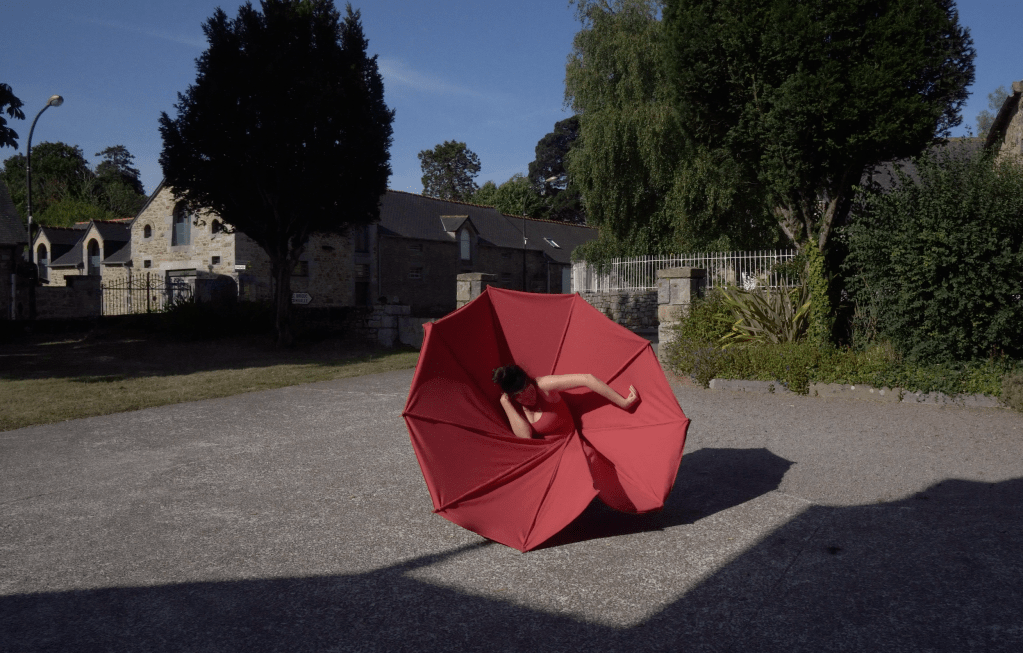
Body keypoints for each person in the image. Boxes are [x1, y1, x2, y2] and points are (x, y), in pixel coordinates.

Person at [492, 364, 639, 439]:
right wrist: (506, 405)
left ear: (529, 381)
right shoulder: (513, 405)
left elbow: (586, 379)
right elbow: (525, 437)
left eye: (529, 390)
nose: (529, 398)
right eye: (521, 397)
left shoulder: (543, 386)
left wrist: (623, 403)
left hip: (568, 447)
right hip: (543, 457)